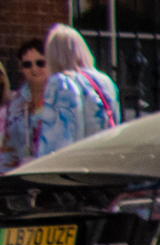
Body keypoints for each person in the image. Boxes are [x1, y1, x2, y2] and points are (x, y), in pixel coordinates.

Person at [29, 24, 119, 159]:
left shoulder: (60, 83)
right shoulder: (105, 81)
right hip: (105, 160)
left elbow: (56, 140)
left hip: (80, 165)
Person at [0, 38, 44, 170]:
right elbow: (9, 148)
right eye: (27, 64)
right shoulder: (16, 103)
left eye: (40, 63)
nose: (34, 68)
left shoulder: (61, 98)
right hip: (23, 176)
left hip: (53, 174)